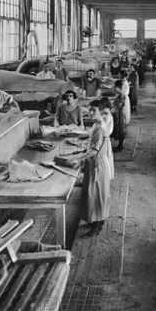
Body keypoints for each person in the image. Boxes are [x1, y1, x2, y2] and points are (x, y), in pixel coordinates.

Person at [68, 100, 112, 237]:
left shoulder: (100, 127)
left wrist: (78, 159)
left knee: (97, 194)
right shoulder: (96, 125)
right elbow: (93, 140)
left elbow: (93, 150)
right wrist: (85, 137)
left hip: (98, 164)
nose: (90, 112)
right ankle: (95, 220)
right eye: (90, 110)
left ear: (101, 111)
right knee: (92, 193)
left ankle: (98, 225)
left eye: (93, 110)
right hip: (94, 163)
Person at [111, 79, 130, 153]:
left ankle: (120, 146)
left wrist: (111, 112)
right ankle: (119, 146)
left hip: (120, 115)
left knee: (121, 129)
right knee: (119, 129)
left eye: (115, 87)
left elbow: (118, 106)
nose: (114, 89)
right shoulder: (119, 95)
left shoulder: (121, 96)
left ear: (119, 88)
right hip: (118, 114)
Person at [100, 97, 115, 180]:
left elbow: (103, 129)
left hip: (104, 139)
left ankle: (104, 177)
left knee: (103, 160)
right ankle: (105, 176)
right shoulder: (107, 113)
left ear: (103, 105)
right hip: (106, 138)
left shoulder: (106, 115)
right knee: (106, 159)